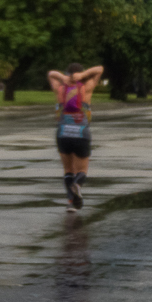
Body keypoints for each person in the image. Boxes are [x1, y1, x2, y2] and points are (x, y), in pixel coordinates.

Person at [47, 63, 104, 210]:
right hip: (81, 132)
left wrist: (62, 77)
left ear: (67, 73)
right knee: (81, 170)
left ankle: (70, 203)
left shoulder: (59, 88)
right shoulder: (88, 87)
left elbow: (51, 73)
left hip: (62, 133)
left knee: (68, 170)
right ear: (81, 73)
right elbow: (99, 69)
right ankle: (77, 185)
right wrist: (83, 76)